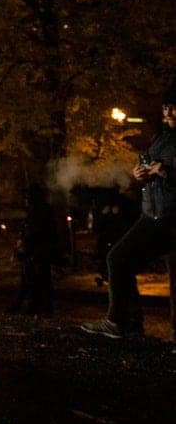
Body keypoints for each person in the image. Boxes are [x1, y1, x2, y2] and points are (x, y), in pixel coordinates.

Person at [82, 87, 176, 340]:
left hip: (170, 218)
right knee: (119, 259)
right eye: (166, 106)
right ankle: (122, 321)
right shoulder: (162, 138)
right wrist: (140, 175)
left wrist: (166, 172)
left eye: (173, 107)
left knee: (121, 260)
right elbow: (149, 171)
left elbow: (167, 172)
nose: (168, 111)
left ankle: (121, 321)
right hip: (154, 214)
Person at [10, 183, 57, 315]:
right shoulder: (38, 209)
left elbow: (35, 232)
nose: (25, 199)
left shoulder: (39, 211)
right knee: (31, 280)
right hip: (36, 251)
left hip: (37, 251)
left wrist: (27, 245)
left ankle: (36, 307)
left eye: (27, 196)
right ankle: (25, 307)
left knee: (36, 280)